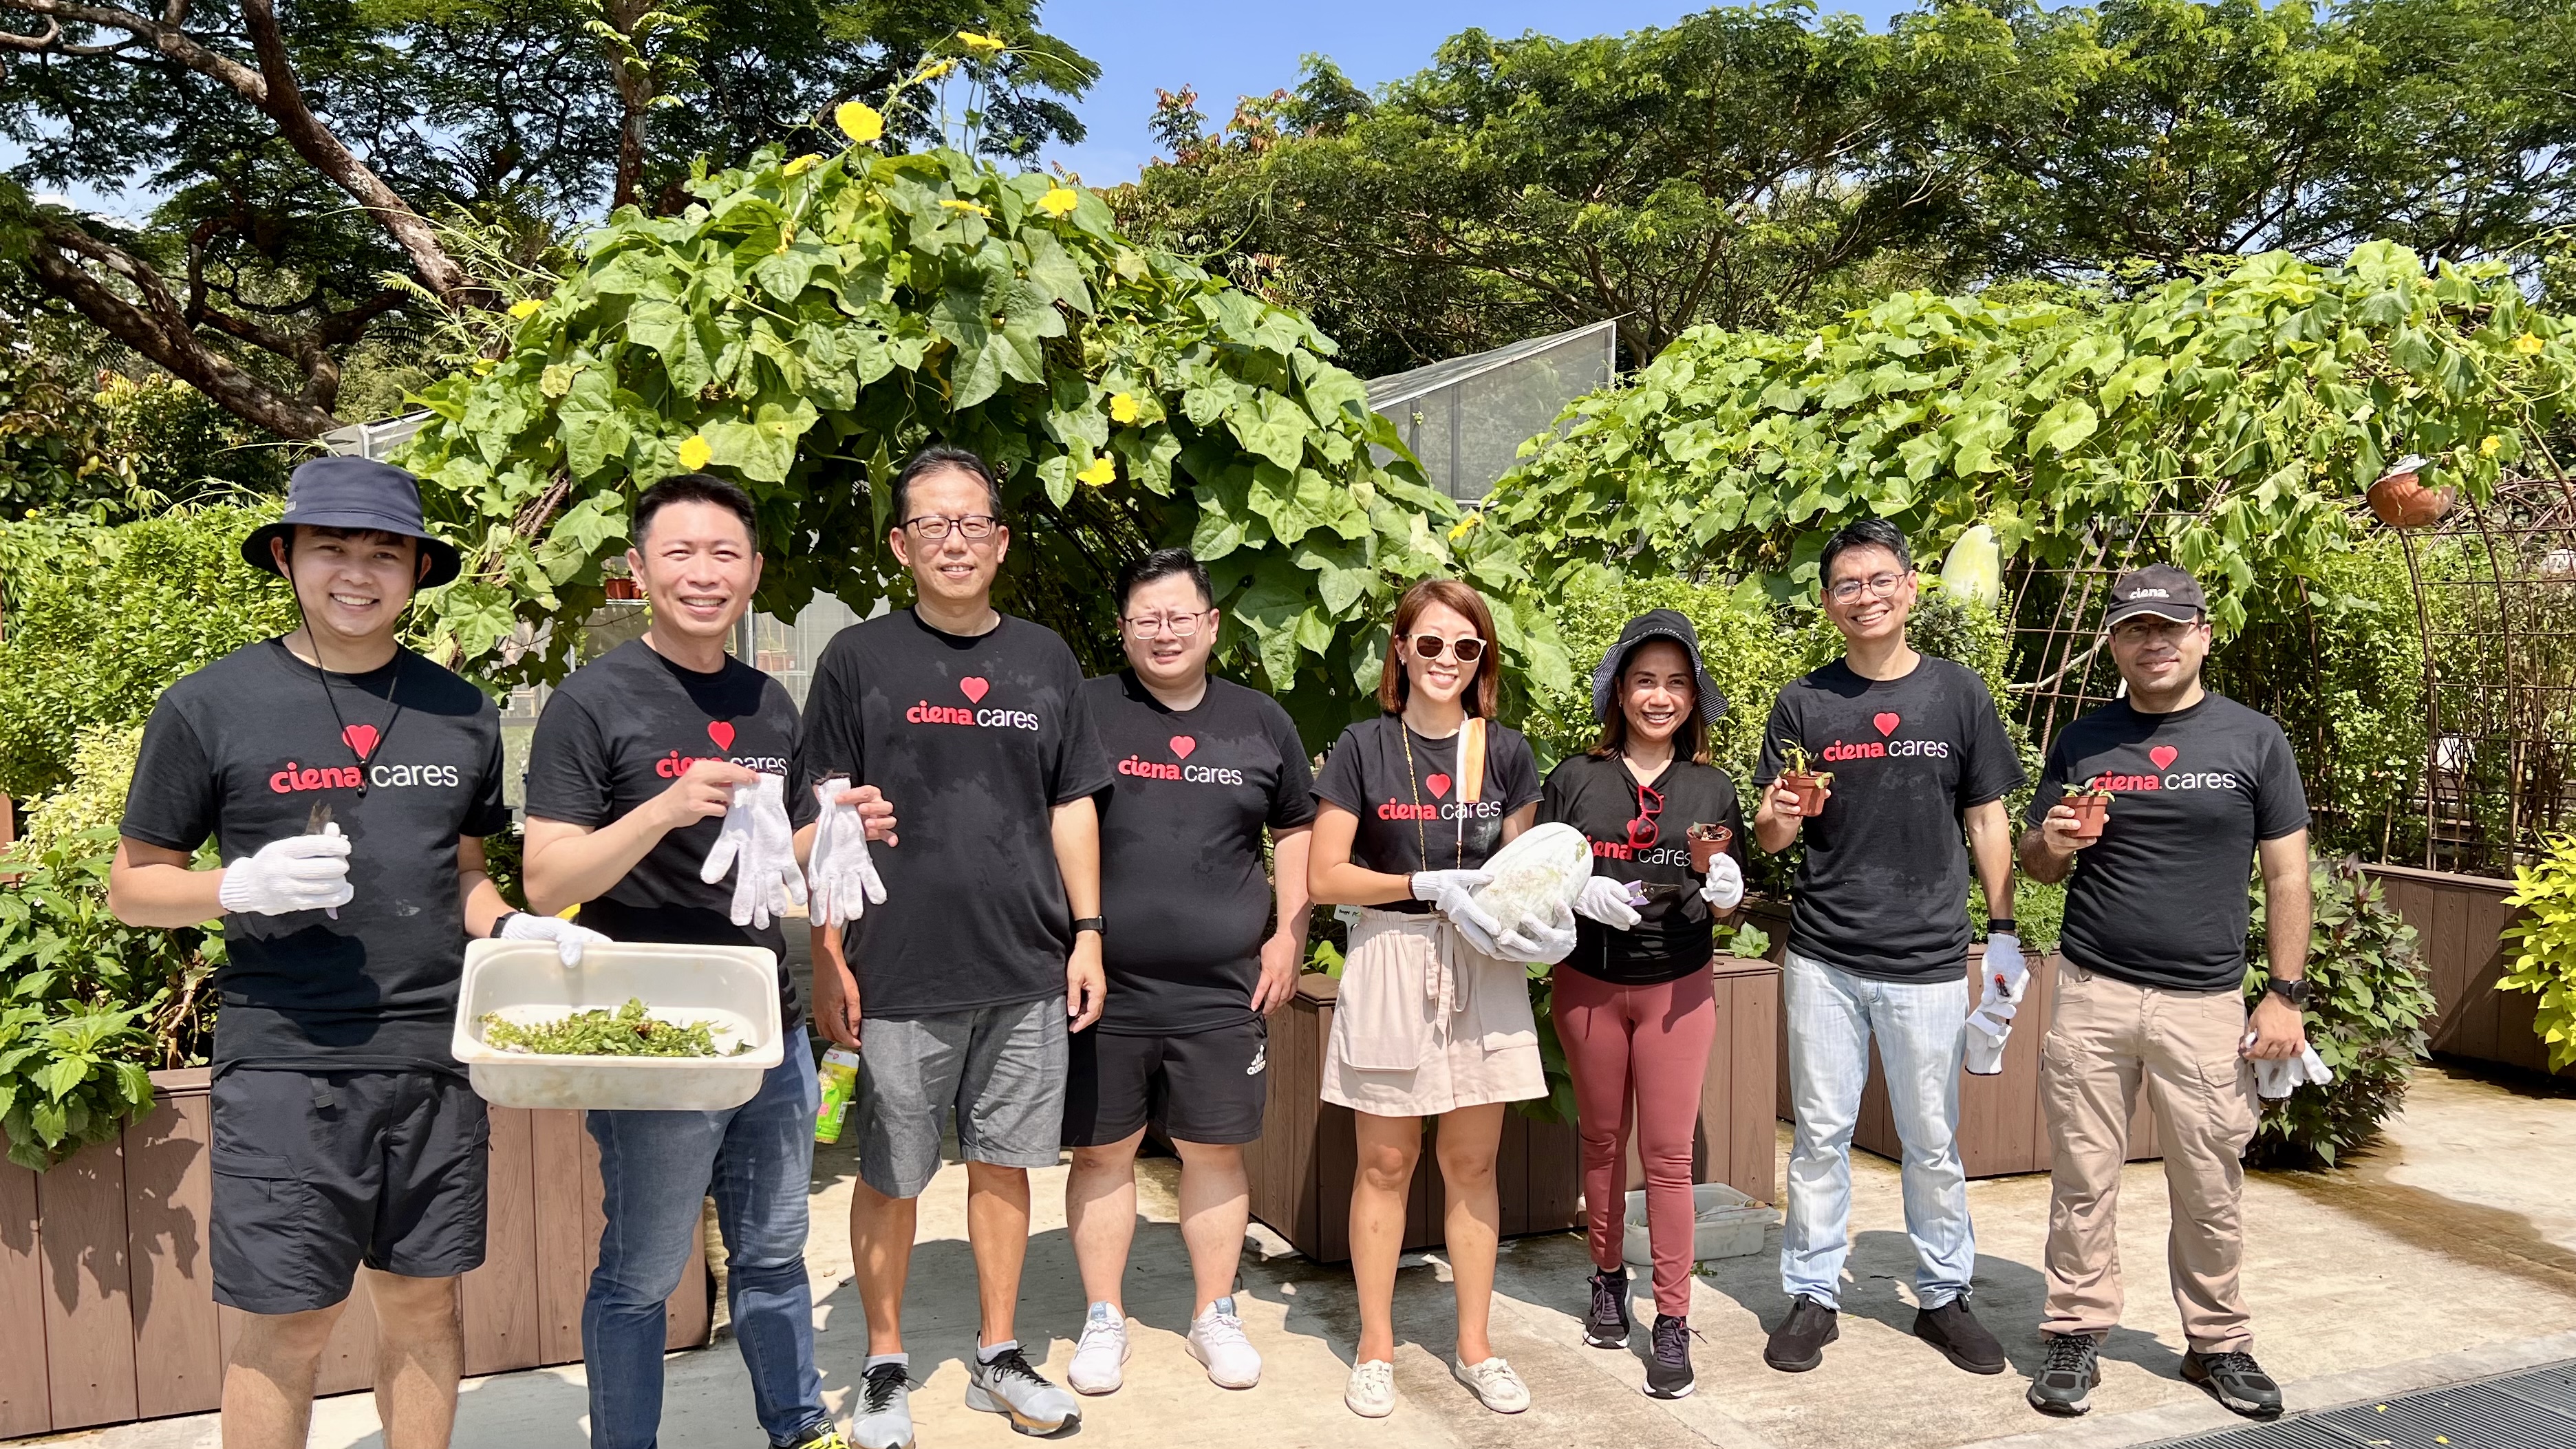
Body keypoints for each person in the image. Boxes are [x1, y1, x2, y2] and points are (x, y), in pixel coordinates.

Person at [106, 457, 594, 1449]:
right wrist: (231, 886)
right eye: (332, 548)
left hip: (434, 1061)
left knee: (425, 1307)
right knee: (291, 1321)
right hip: (289, 1060)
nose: (358, 574)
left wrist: (510, 925)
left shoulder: (460, 710)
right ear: (288, 556)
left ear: (418, 570)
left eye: (385, 552)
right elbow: (132, 885)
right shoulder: (210, 705)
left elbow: (462, 872)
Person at [520, 472, 894, 1449]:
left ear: (755, 571)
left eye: (724, 553)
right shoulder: (590, 701)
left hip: (760, 1015)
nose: (703, 572)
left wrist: (841, 829)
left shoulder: (769, 697)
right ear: (638, 569)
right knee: (644, 1271)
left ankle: (800, 1429)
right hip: (648, 1022)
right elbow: (544, 874)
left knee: (774, 1251)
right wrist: (663, 807)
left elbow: (777, 853)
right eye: (678, 553)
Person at [793, 445, 1113, 1449]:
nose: (955, 540)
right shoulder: (859, 658)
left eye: (973, 522)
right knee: (890, 1172)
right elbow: (814, 824)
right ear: (900, 543)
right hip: (897, 965)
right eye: (932, 524)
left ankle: (999, 1351)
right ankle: (885, 1362)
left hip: (1025, 962)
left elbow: (1071, 804)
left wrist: (1089, 930)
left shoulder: (1046, 657)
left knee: (1008, 1165)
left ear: (1002, 537)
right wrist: (827, 950)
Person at [2015, 564, 2311, 1422]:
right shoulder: (2083, 741)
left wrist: (2284, 993)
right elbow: (2038, 863)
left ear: (2204, 636)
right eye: (2137, 629)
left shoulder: (2255, 740)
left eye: (2172, 627)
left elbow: (2288, 875)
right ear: (2114, 642)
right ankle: (2074, 1333)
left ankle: (2217, 1343)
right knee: (2082, 1177)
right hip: (2093, 989)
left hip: (2205, 1002)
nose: (2156, 642)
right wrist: (2055, 839)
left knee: (2210, 1181)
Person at [1754, 517, 2022, 1378]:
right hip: (1826, 954)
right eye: (1846, 586)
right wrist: (1781, 816)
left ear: (1909, 587)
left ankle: (1944, 1295)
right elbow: (1768, 835)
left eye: (1879, 581)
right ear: (1828, 603)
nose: (1864, 597)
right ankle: (1813, 1293)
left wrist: (2005, 927)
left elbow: (1986, 816)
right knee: (1822, 1136)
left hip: (1930, 956)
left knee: (1933, 1138)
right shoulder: (1805, 702)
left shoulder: (1958, 695)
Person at [1061, 547, 1316, 1395]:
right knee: (1103, 1155)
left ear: (1211, 625)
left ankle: (1215, 1312)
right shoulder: (1086, 710)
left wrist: (1288, 933)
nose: (1164, 632)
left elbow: (1297, 829)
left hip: (1223, 988)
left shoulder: (1261, 722)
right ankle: (1105, 1317)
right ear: (1124, 630)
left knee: (1214, 1152)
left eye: (1180, 616)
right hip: (1106, 984)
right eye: (1146, 619)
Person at [1307, 577, 1547, 1421]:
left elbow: (1529, 878)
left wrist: (1548, 922)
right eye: (1432, 643)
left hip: (1481, 963)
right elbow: (1324, 872)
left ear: (1483, 659)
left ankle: (1476, 1346)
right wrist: (1419, 880)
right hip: (1391, 952)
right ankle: (1376, 1345)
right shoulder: (1363, 747)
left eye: (1467, 646)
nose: (1447, 659)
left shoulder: (1505, 752)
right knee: (1384, 1163)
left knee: (1473, 1164)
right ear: (1402, 650)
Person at [1539, 610, 1749, 1400]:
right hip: (1589, 983)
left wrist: (1728, 893)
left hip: (1678, 988)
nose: (1659, 697)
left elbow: (1722, 887)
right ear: (1618, 691)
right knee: (1600, 1140)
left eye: (1675, 683)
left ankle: (1671, 1317)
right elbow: (1533, 874)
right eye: (1644, 681)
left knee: (1667, 1158)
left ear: (1694, 696)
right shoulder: (1575, 779)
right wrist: (1574, 887)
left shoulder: (1711, 786)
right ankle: (1604, 1277)